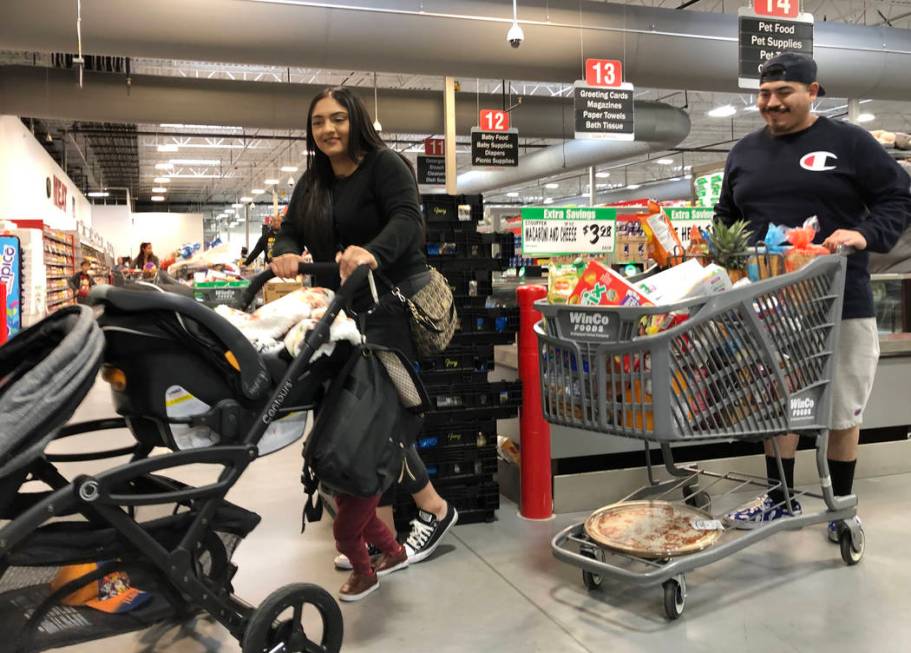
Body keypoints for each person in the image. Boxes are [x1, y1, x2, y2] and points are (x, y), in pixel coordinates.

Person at [270, 86, 457, 602]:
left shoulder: (385, 166)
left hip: (392, 306)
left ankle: (429, 511)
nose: (328, 130)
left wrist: (371, 252)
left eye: (337, 119)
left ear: (356, 120)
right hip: (345, 310)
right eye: (318, 123)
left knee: (379, 417)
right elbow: (289, 231)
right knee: (357, 416)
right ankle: (384, 528)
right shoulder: (313, 180)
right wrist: (285, 253)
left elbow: (408, 221)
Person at [715, 53, 911, 536]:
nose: (771, 103)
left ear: (813, 91)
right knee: (776, 403)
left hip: (841, 300)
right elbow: (726, 218)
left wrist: (864, 234)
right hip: (768, 305)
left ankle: (841, 505)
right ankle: (780, 500)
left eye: (784, 93)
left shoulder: (850, 142)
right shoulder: (743, 151)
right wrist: (722, 258)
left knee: (843, 407)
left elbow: (898, 196)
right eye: (764, 94)